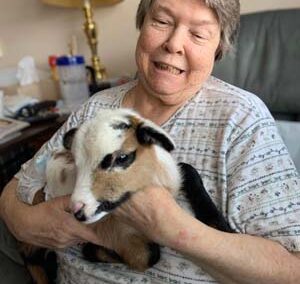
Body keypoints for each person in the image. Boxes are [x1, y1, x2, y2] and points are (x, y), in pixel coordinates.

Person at [1, 0, 300, 283]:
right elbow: (17, 185)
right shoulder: (96, 108)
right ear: (142, 22)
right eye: (161, 20)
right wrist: (27, 222)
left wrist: (173, 229)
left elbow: (292, 269)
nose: (173, 44)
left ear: (218, 47)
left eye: (198, 34)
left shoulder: (241, 120)